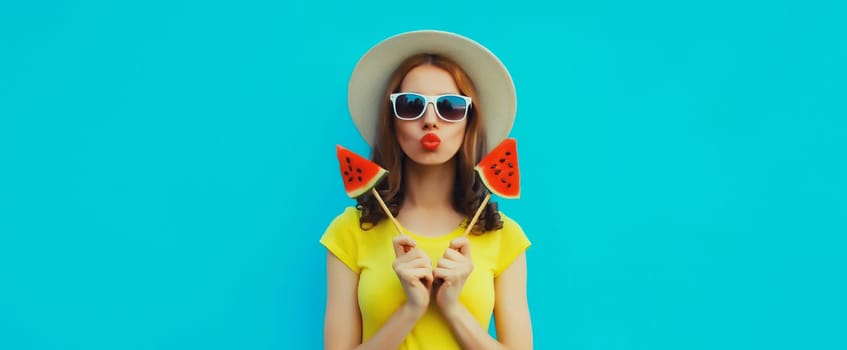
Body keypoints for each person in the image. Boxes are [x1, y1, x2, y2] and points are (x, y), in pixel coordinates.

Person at [321, 30, 532, 350]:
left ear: (468, 121)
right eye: (411, 105)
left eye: (449, 106)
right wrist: (411, 309)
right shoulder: (349, 231)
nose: (430, 120)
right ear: (392, 122)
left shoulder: (505, 237)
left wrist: (451, 308)